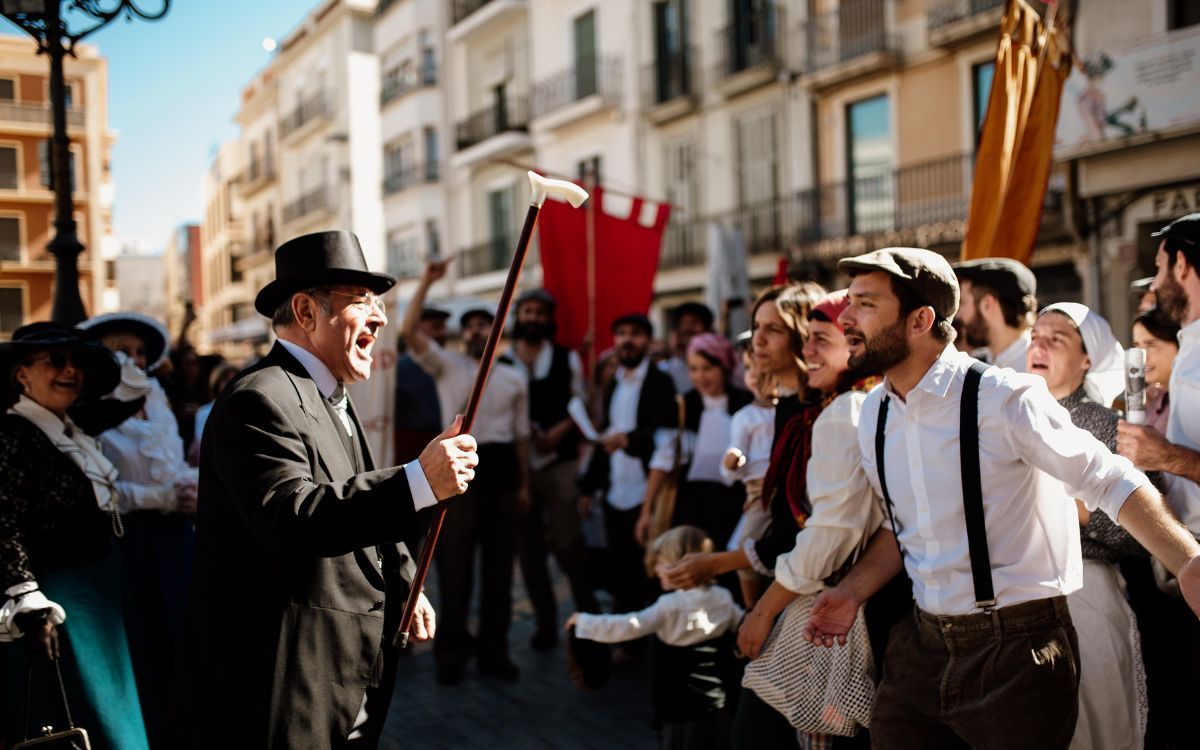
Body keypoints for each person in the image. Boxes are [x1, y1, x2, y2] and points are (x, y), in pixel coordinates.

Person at [803, 246, 1200, 749]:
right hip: (919, 650)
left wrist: (1188, 562)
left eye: (865, 304)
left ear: (920, 319)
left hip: (1017, 650)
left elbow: (1109, 479)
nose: (846, 318)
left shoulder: (1003, 397)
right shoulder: (874, 414)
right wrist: (852, 591)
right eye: (849, 302)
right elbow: (900, 527)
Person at [186, 231, 478, 747]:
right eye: (363, 302)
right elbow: (293, 517)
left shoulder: (329, 395)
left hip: (345, 668)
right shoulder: (259, 399)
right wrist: (418, 478)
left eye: (381, 304)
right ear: (305, 311)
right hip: (293, 673)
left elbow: (353, 501)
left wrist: (407, 582)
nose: (381, 319)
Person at [0, 322, 149, 750]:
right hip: (62, 598)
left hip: (106, 590)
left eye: (77, 362)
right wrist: (25, 596)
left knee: (117, 710)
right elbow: (3, 516)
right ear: (22, 374)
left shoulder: (71, 425)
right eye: (56, 361)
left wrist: (117, 354)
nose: (71, 371)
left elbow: (132, 393)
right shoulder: (12, 433)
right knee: (85, 720)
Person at [401, 260, 531, 685]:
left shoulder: (515, 377)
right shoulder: (447, 366)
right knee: (454, 572)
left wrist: (525, 484)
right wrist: (426, 281)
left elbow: (521, 437)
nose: (477, 331)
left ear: (498, 333)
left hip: (503, 474)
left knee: (498, 575)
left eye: (485, 325)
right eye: (471, 326)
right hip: (458, 470)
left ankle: (494, 653)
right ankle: (450, 654)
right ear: (463, 334)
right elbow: (407, 333)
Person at [1027, 303, 1149, 750]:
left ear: (1087, 360)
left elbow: (1130, 531)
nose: (1039, 345)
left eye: (1056, 338)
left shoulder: (1104, 424)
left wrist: (1061, 489)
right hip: (1019, 593)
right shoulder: (1006, 416)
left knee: (1096, 725)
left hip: (1086, 592)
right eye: (1035, 335)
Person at [80, 312, 200, 750]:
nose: (133, 359)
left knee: (182, 635)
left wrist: (190, 486)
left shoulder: (156, 393)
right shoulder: (91, 406)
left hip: (175, 537)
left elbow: (172, 463)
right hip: (128, 539)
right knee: (142, 640)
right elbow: (101, 488)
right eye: (121, 350)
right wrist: (165, 497)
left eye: (139, 351)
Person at [1116, 213, 1200, 749]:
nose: (1154, 281)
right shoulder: (1190, 341)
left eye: (1159, 266)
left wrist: (1167, 455)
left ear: (1184, 264)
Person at [567, 525, 743, 750]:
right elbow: (742, 625)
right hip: (717, 702)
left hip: (678, 705)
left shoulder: (669, 606)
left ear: (682, 567)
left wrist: (583, 622)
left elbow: (628, 625)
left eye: (661, 562)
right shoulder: (723, 597)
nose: (656, 568)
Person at [500, 288, 597, 650]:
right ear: (519, 316)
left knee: (568, 542)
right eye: (528, 312)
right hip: (521, 468)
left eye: (540, 312)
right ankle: (545, 624)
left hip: (561, 463)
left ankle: (590, 619)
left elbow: (581, 401)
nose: (533, 318)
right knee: (528, 551)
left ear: (548, 319)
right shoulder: (505, 361)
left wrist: (559, 431)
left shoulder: (565, 357)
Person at [580, 313, 677, 617]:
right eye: (621, 333)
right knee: (620, 571)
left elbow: (664, 436)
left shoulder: (661, 381)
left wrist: (628, 441)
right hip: (615, 492)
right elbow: (606, 433)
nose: (627, 340)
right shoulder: (614, 383)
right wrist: (589, 487)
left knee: (649, 572)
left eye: (635, 333)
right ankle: (626, 641)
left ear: (648, 340)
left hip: (646, 493)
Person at [638, 333, 750, 558]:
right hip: (691, 508)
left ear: (724, 366)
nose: (700, 376)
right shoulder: (681, 407)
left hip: (736, 505)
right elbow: (663, 462)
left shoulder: (745, 403)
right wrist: (646, 510)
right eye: (693, 369)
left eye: (707, 368)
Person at [720, 351, 775, 607]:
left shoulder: (793, 407)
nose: (754, 375)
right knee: (747, 547)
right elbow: (734, 455)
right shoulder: (745, 417)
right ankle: (752, 608)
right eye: (748, 368)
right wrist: (733, 460)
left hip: (790, 484)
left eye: (760, 367)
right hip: (759, 489)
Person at [951, 257, 1038, 371]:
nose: (958, 315)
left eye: (963, 303)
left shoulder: (1038, 368)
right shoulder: (975, 364)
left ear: (987, 305)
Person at [393, 306, 446, 464]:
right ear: (417, 330)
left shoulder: (449, 363)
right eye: (436, 327)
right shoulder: (398, 368)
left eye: (443, 327)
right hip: (410, 454)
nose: (442, 334)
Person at [1130, 307, 1179, 436]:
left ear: (1179, 345)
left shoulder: (1191, 400)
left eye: (1150, 345)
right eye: (1137, 346)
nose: (1140, 357)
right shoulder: (1153, 399)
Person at [661, 302, 715, 393]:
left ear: (707, 328)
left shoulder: (722, 365)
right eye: (683, 323)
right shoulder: (667, 371)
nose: (688, 328)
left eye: (694, 322)